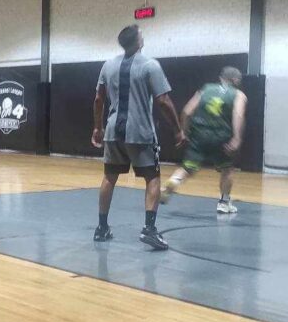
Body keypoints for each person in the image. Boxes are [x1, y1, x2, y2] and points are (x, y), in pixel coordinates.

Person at [92, 25, 185, 250]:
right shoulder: (150, 65)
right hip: (140, 133)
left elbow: (98, 99)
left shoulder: (107, 65)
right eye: (141, 34)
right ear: (138, 41)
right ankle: (149, 229)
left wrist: (97, 128)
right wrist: (177, 129)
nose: (143, 36)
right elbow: (163, 101)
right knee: (152, 177)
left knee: (109, 177)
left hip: (113, 131)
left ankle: (101, 228)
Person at [161, 67, 248, 213]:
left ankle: (172, 182)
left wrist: (184, 131)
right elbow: (238, 115)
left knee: (187, 168)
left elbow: (187, 111)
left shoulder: (205, 89)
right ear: (236, 80)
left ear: (221, 78)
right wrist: (236, 138)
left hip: (199, 135)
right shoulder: (239, 95)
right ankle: (224, 203)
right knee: (227, 169)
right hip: (221, 138)